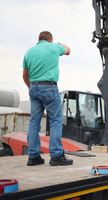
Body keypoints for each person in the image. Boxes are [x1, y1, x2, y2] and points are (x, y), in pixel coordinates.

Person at [23, 31, 73, 166]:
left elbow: (24, 75)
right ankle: (56, 155)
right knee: (56, 121)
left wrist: (31, 88)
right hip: (49, 87)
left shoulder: (29, 52)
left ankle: (33, 157)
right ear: (50, 39)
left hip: (33, 87)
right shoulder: (54, 47)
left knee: (34, 122)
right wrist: (60, 44)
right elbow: (68, 51)